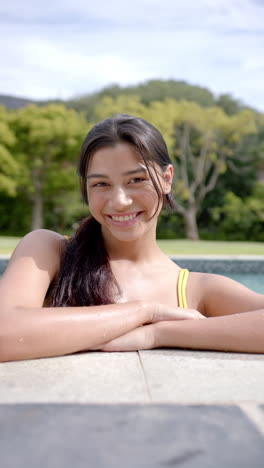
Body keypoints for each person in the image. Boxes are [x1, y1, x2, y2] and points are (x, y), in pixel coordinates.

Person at [0, 114, 264, 362]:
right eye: (100, 184)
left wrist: (157, 334)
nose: (120, 201)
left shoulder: (195, 289)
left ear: (166, 179)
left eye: (136, 179)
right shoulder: (48, 252)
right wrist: (145, 311)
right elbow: (5, 332)